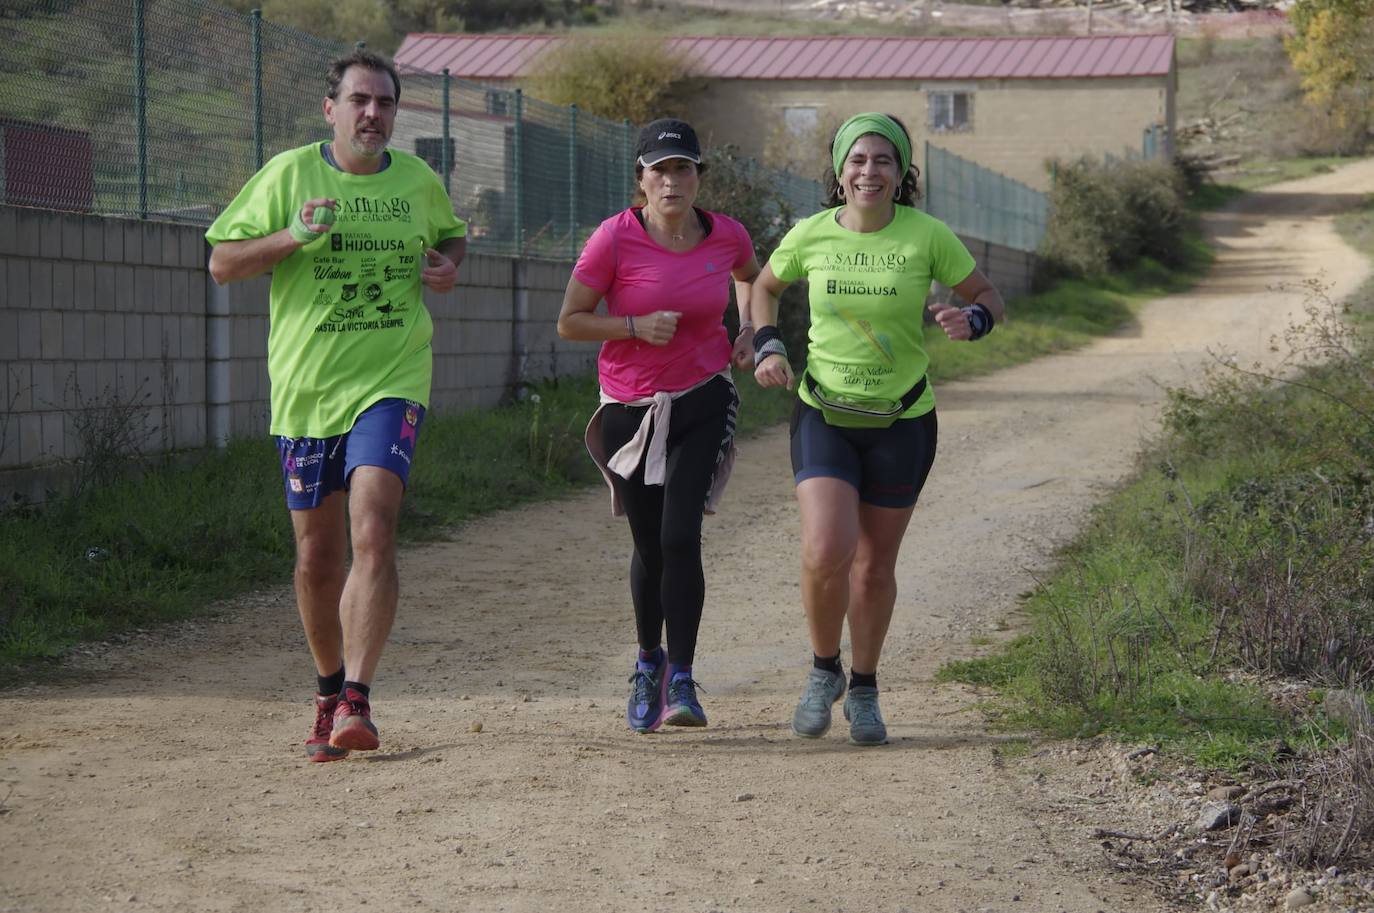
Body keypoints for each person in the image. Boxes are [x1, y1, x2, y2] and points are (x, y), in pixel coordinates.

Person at [205, 50, 467, 762]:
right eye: (359, 100)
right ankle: (326, 692)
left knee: (374, 528)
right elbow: (222, 262)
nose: (373, 114)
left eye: (384, 102)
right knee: (317, 557)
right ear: (332, 109)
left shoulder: (417, 181)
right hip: (306, 391)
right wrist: (293, 236)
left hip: (391, 380)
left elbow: (451, 234)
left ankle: (358, 696)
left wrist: (447, 268)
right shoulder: (289, 175)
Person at [750, 112, 1006, 746]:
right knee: (824, 549)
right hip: (824, 412)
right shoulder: (809, 234)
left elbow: (988, 294)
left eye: (883, 160)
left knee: (872, 568)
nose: (870, 171)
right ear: (840, 172)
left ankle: (863, 686)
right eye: (858, 160)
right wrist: (767, 345)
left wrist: (972, 319)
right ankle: (822, 670)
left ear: (901, 172)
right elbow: (762, 287)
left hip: (902, 421)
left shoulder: (927, 236)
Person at [557, 118, 760, 733]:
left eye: (683, 169)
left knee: (679, 537)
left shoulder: (726, 235)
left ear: (699, 175)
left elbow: (752, 279)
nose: (671, 181)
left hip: (703, 399)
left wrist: (750, 329)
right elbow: (569, 320)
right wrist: (631, 328)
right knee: (649, 544)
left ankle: (683, 679)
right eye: (660, 170)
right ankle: (649, 659)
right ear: (640, 179)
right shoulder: (613, 239)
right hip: (628, 409)